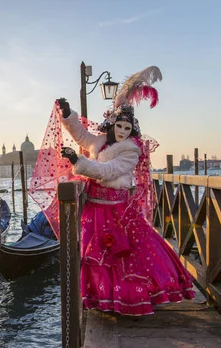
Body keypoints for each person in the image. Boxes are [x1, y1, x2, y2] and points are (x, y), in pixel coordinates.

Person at [56, 66, 195, 316]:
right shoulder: (102, 142)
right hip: (95, 208)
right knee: (94, 257)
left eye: (127, 129)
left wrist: (78, 162)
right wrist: (68, 116)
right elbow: (82, 136)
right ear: (112, 125)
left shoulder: (131, 151)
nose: (122, 132)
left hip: (115, 210)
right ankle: (102, 300)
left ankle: (129, 300)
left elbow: (107, 171)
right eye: (119, 126)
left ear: (132, 132)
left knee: (124, 256)